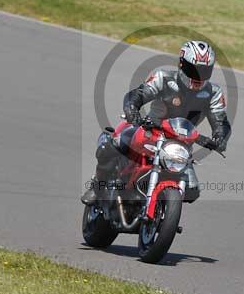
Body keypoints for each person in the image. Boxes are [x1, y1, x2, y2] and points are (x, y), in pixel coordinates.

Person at [82, 40, 231, 204]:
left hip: (181, 143)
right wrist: (132, 108)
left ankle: (160, 213)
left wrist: (219, 138)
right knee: (111, 146)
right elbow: (139, 93)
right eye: (193, 69)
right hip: (149, 131)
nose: (198, 76)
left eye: (204, 70)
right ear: (182, 64)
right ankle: (96, 187)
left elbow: (221, 121)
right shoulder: (164, 78)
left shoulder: (213, 93)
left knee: (191, 191)